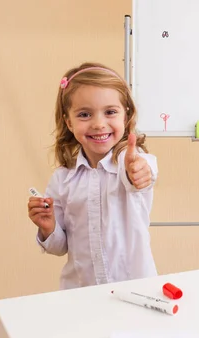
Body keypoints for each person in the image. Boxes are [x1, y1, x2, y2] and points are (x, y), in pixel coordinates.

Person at [27, 62, 159, 289]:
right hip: (80, 294)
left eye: (110, 112)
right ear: (69, 122)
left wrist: (138, 173)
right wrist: (48, 227)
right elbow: (60, 247)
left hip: (136, 291)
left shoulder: (134, 162)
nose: (99, 124)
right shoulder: (62, 179)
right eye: (85, 114)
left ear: (125, 116)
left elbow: (143, 176)